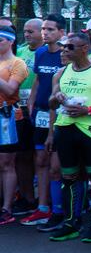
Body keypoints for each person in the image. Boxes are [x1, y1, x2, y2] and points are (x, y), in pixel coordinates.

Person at [45, 32, 91, 242]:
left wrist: (88, 110)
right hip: (65, 129)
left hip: (90, 131)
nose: (65, 50)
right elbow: (51, 103)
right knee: (69, 177)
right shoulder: (60, 73)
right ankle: (71, 222)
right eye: (64, 47)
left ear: (84, 48)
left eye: (70, 47)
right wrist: (57, 97)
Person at [26, 15, 66, 231]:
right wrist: (31, 103)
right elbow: (38, 80)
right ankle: (42, 207)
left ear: (61, 32)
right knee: (40, 160)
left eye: (50, 29)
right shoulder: (40, 53)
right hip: (40, 114)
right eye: (43, 29)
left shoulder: (67, 54)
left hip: (61, 117)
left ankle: (60, 209)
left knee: (56, 166)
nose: (45, 33)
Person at [0, 27, 29, 224]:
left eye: (0, 40)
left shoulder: (17, 63)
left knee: (6, 163)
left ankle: (7, 207)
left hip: (6, 116)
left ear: (10, 42)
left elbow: (11, 90)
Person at [14, 18, 42, 217]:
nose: (27, 34)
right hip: (19, 109)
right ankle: (27, 197)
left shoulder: (49, 53)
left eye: (31, 31)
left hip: (40, 110)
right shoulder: (21, 52)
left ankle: (44, 200)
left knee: (40, 156)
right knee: (22, 156)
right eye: (25, 31)